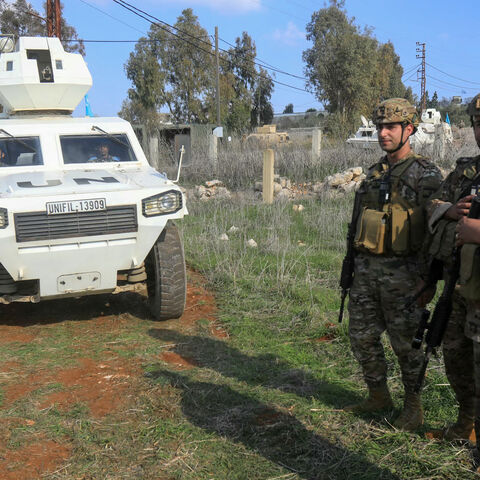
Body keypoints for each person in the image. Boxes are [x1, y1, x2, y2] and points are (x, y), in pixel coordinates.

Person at [345, 98, 443, 431]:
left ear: (409, 129)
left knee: (407, 347)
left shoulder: (425, 174)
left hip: (405, 277)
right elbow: (357, 224)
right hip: (367, 275)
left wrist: (429, 280)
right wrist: (352, 268)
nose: (383, 133)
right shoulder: (373, 174)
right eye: (379, 127)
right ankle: (378, 395)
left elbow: (436, 231)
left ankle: (413, 408)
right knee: (361, 337)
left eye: (391, 127)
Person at [426, 93, 480, 443]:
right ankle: (466, 426)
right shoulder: (466, 170)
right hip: (460, 286)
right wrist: (448, 210)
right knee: (457, 359)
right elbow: (431, 201)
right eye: (477, 123)